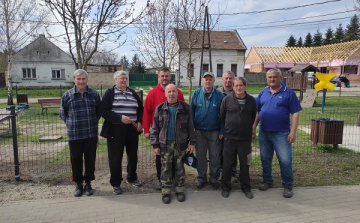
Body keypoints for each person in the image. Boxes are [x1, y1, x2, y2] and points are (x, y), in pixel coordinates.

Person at [253, 68, 302, 198]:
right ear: (267, 79)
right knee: (265, 158)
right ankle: (267, 181)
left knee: (285, 160)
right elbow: (258, 112)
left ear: (280, 78)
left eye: (274, 77)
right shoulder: (263, 92)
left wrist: (293, 132)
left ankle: (287, 185)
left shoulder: (289, 93)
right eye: (269, 77)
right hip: (264, 132)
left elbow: (295, 113)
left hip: (282, 133)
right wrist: (253, 127)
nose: (272, 79)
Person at [150, 84, 195, 204]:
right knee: (166, 168)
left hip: (181, 144)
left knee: (180, 168)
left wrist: (192, 142)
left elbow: (191, 127)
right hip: (164, 144)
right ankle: (166, 192)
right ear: (165, 94)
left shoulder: (185, 108)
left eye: (173, 91)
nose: (171, 94)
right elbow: (154, 128)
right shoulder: (160, 109)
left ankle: (180, 190)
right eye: (169, 92)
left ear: (177, 93)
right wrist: (155, 145)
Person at [100, 71, 143, 195]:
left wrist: (139, 121)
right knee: (115, 157)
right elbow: (104, 111)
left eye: (126, 78)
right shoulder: (110, 93)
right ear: (115, 80)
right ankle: (116, 183)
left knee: (133, 155)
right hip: (116, 129)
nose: (124, 80)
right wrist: (119, 118)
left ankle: (132, 177)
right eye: (122, 78)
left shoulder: (132, 93)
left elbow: (140, 109)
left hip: (132, 129)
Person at [60, 69, 101, 197]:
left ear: (87, 80)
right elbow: (63, 113)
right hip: (74, 135)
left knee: (90, 160)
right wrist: (72, 124)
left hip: (90, 134)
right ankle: (78, 184)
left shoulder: (94, 94)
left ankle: (88, 183)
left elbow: (99, 112)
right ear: (74, 80)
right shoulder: (67, 95)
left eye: (83, 79)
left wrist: (93, 121)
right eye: (78, 79)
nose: (81, 81)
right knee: (76, 160)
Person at [142, 67, 185, 190]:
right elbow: (147, 112)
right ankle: (160, 179)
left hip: (175, 131)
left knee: (174, 157)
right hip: (159, 132)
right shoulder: (152, 94)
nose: (165, 78)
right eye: (162, 76)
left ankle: (172, 179)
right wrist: (146, 129)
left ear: (170, 77)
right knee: (160, 157)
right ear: (158, 77)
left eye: (167, 76)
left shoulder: (178, 92)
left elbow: (184, 111)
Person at [220, 77, 257, 199]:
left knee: (245, 164)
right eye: (236, 86)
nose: (238, 88)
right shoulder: (227, 100)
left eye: (241, 85)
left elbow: (252, 117)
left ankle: (246, 188)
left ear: (245, 86)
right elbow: (222, 115)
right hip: (230, 138)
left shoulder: (251, 101)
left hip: (245, 139)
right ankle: (225, 187)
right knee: (227, 164)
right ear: (233, 87)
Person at [190, 71, 224, 190]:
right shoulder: (196, 93)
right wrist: (191, 131)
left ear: (214, 80)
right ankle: (201, 178)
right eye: (206, 79)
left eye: (210, 79)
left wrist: (221, 130)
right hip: (199, 131)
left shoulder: (219, 95)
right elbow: (191, 113)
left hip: (214, 132)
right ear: (203, 80)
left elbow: (224, 115)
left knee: (215, 157)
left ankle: (214, 179)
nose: (208, 81)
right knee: (200, 156)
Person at [217, 71, 238, 178]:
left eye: (230, 78)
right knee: (221, 150)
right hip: (221, 126)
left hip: (234, 127)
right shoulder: (217, 93)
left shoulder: (237, 92)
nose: (228, 80)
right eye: (226, 78)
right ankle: (221, 170)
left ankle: (233, 170)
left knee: (233, 149)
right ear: (222, 79)